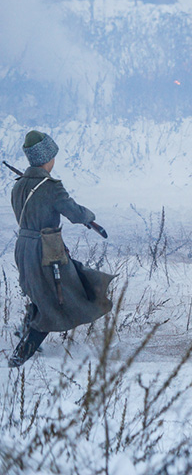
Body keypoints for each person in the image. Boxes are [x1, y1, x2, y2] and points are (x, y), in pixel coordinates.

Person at [8, 131, 114, 368]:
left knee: (41, 293)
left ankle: (25, 332)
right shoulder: (51, 187)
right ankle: (20, 355)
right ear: (47, 158)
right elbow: (74, 213)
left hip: (24, 247)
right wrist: (89, 217)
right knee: (58, 298)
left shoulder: (19, 187)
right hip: (46, 250)